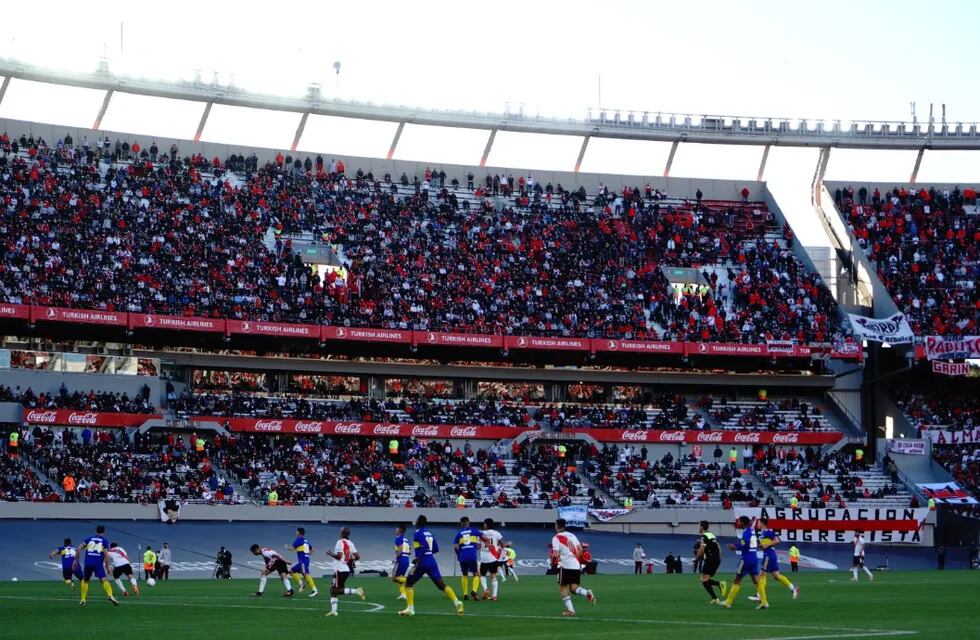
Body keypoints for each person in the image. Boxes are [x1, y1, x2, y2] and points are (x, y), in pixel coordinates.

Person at [399, 515, 464, 617]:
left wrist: (419, 557)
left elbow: (424, 545)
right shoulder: (429, 533)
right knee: (441, 585)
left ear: (418, 522)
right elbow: (436, 548)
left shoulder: (417, 533)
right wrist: (428, 554)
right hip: (431, 561)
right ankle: (457, 602)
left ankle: (410, 609)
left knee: (408, 583)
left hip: (422, 562)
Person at [717, 515, 766, 609]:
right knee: (756, 581)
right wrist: (736, 545)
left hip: (746, 559)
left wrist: (734, 547)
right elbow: (747, 536)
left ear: (743, 523)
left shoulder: (747, 531)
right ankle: (764, 601)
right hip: (754, 558)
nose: (738, 523)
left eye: (739, 521)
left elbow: (745, 544)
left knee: (737, 579)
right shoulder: (751, 530)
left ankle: (728, 602)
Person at [551, 518, 596, 617]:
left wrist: (553, 559)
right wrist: (574, 557)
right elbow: (580, 549)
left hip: (565, 565)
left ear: (557, 526)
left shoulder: (556, 538)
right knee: (573, 588)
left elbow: (555, 554)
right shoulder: (572, 535)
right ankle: (587, 593)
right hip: (575, 565)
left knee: (563, 587)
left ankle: (571, 611)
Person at [749, 518, 799, 602]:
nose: (757, 524)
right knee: (776, 575)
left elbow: (777, 540)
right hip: (770, 555)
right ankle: (793, 588)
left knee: (762, 575)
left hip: (768, 555)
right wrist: (759, 545)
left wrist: (766, 545)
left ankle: (759, 595)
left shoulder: (768, 531)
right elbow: (763, 545)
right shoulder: (762, 534)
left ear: (763, 524)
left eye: (759, 523)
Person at [73, 525, 120, 606]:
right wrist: (108, 567)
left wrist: (75, 560)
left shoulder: (89, 539)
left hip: (88, 562)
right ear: (104, 532)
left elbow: (79, 548)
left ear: (96, 531)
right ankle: (110, 595)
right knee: (104, 579)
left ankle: (83, 599)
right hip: (97, 563)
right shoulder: (104, 541)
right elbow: (106, 554)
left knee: (85, 580)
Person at [324, 527, 365, 617]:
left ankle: (356, 591)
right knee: (333, 591)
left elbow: (339, 556)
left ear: (341, 533)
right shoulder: (350, 543)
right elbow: (357, 556)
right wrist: (350, 559)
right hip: (345, 569)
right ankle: (334, 611)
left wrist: (329, 553)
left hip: (340, 569)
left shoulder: (340, 542)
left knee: (335, 590)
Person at [693, 520, 726, 603]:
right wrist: (719, 558)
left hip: (710, 559)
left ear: (701, 527)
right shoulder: (712, 535)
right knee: (704, 579)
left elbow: (701, 549)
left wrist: (696, 559)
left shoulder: (704, 536)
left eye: (699, 525)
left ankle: (719, 584)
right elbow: (719, 547)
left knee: (703, 579)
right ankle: (715, 598)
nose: (699, 527)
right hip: (715, 559)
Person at [453, 516, 482, 600]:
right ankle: (474, 590)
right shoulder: (474, 530)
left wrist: (459, 556)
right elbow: (482, 537)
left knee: (464, 574)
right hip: (472, 556)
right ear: (468, 522)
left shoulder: (458, 534)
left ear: (461, 523)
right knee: (476, 574)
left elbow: (456, 547)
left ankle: (465, 594)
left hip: (463, 557)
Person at [286, 527, 318, 597]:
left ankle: (312, 589)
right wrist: (307, 554)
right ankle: (312, 589)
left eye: (296, 532)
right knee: (304, 574)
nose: (295, 533)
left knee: (293, 571)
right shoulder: (305, 541)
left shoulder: (299, 540)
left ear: (299, 533)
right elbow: (313, 549)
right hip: (305, 560)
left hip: (302, 562)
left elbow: (292, 548)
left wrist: (287, 547)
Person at [479, 518, 504, 600]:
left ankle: (486, 589)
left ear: (486, 524)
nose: (484, 525)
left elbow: (478, 546)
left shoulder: (481, 533)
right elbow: (502, 544)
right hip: (493, 557)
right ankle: (494, 596)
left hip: (484, 558)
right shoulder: (496, 533)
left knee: (482, 575)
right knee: (493, 576)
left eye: (484, 524)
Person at [392, 524, 412, 600]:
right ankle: (403, 594)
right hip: (406, 559)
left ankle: (410, 581)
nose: (395, 530)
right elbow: (410, 551)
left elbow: (400, 549)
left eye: (397, 529)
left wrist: (396, 558)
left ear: (400, 530)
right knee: (400, 578)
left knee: (394, 578)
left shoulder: (398, 538)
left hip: (401, 560)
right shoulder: (406, 540)